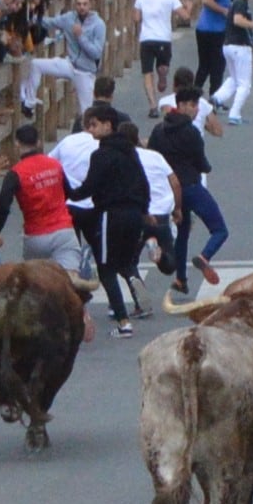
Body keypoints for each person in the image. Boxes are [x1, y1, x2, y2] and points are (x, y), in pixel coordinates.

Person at [73, 106, 150, 337]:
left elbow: (89, 187)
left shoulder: (101, 155)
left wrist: (68, 191)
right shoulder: (130, 151)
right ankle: (136, 286)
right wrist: (144, 210)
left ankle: (123, 322)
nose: (90, 130)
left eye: (94, 124)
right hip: (135, 214)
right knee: (125, 262)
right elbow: (143, 183)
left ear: (108, 125)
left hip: (110, 215)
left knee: (106, 269)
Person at [149, 88, 226, 288]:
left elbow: (152, 157)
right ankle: (205, 256)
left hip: (171, 191)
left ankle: (181, 278)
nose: (196, 109)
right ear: (181, 105)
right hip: (191, 186)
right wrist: (205, 167)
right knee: (219, 229)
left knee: (183, 233)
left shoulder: (159, 130)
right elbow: (202, 163)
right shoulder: (191, 132)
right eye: (193, 104)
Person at [0, 123, 82, 272]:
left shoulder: (16, 173)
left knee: (36, 284)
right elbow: (69, 193)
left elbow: (3, 205)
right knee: (70, 280)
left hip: (36, 236)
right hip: (64, 231)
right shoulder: (55, 165)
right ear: (38, 142)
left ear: (17, 144)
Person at [134, 0, 187, 118]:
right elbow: (184, 16)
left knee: (147, 72)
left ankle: (152, 104)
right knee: (163, 66)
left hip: (146, 38)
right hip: (163, 38)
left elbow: (136, 18)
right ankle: (163, 76)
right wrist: (189, 6)